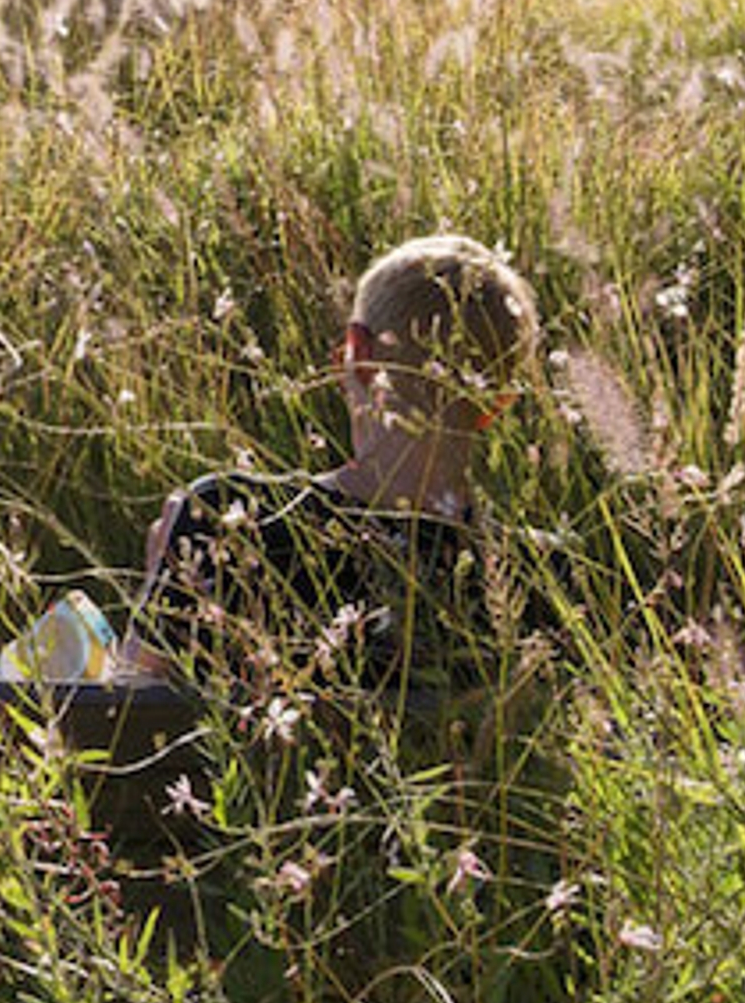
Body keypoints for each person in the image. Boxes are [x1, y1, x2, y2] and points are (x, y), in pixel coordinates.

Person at [125, 234, 531, 692]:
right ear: (499, 401)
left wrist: (155, 590)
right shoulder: (538, 574)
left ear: (356, 353)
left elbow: (127, 718)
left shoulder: (229, 517)